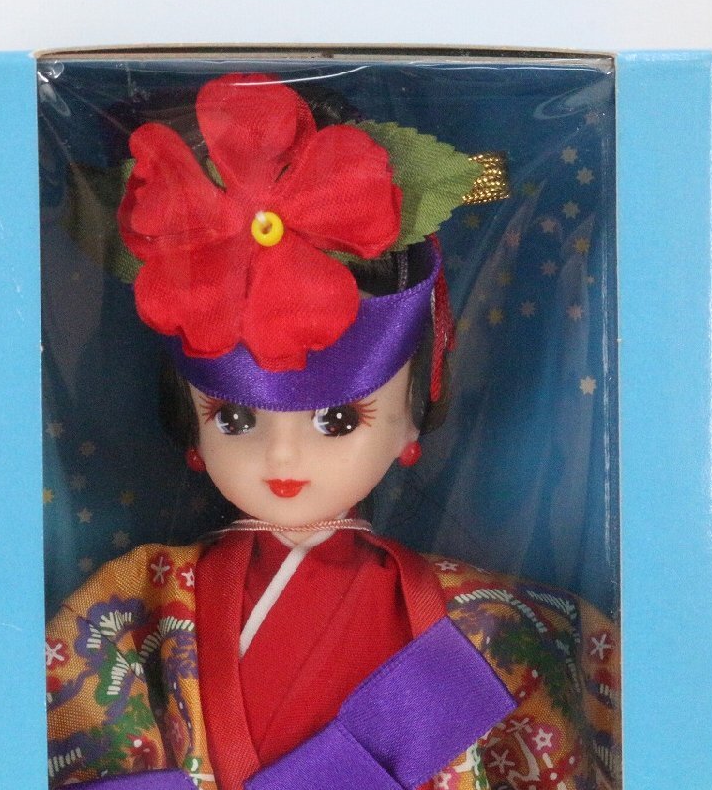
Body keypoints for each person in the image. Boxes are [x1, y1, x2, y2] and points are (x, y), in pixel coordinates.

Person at [46, 73, 619, 790]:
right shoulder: (142, 601)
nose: (283, 453)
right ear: (191, 426)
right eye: (235, 418)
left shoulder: (496, 628)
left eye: (339, 420)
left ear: (413, 418)